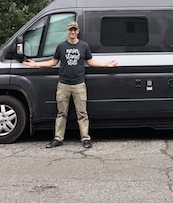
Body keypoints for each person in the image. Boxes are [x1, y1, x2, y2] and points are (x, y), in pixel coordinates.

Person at [24, 20, 117, 148]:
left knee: (82, 113)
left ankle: (85, 138)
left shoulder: (84, 46)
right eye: (71, 30)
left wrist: (106, 65)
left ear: (78, 31)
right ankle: (58, 138)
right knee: (61, 113)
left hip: (79, 84)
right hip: (63, 85)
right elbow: (52, 62)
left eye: (75, 30)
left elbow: (90, 61)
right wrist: (36, 64)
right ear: (67, 31)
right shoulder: (61, 47)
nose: (73, 32)